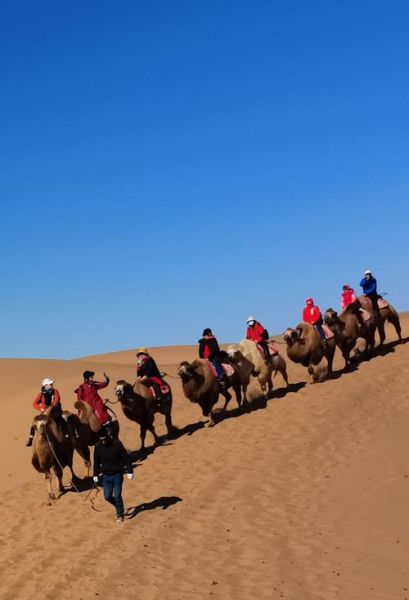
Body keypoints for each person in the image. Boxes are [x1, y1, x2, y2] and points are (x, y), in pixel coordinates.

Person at [93, 431, 134, 522]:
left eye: (105, 440)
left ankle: (120, 515)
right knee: (107, 496)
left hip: (117, 474)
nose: (103, 442)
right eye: (101, 440)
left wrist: (130, 471)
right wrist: (95, 475)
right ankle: (118, 506)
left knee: (117, 495)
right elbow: (96, 461)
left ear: (108, 436)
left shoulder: (117, 444)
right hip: (106, 476)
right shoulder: (98, 446)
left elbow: (126, 458)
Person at [26, 378, 71, 447]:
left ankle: (67, 437)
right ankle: (31, 439)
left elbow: (57, 399)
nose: (52, 385)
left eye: (51, 384)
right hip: (45, 413)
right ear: (45, 385)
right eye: (50, 384)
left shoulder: (55, 391)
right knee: (34, 423)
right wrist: (41, 408)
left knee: (62, 421)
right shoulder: (41, 394)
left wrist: (52, 406)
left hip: (55, 412)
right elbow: (34, 403)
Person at [75, 371, 113, 436]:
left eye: (92, 377)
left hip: (97, 403)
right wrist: (83, 406)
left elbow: (103, 385)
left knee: (101, 413)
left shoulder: (94, 385)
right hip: (87, 406)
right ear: (87, 378)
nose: (92, 378)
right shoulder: (81, 387)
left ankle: (106, 428)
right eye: (91, 377)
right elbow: (79, 398)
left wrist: (107, 380)